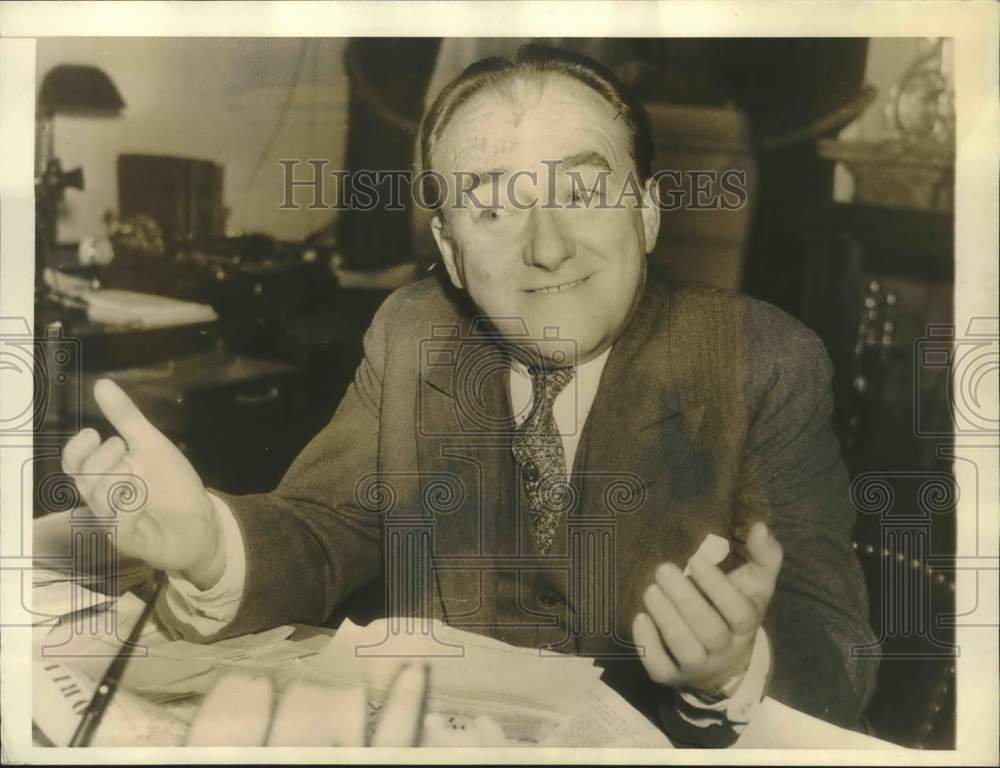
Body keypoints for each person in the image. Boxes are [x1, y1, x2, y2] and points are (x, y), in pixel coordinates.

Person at [61, 44, 878, 747]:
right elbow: (325, 525)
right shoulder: (416, 334)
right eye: (492, 208)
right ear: (450, 252)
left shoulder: (759, 360)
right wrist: (211, 541)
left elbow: (839, 654)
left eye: (583, 194)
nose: (547, 247)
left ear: (648, 213)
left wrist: (734, 667)